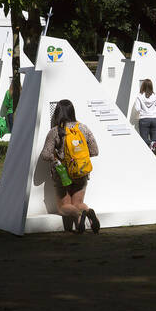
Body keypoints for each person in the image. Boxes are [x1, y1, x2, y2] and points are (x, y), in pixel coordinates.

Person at [40, 100, 101, 234]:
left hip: (63, 175)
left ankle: (79, 215)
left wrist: (56, 158)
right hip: (81, 171)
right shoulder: (83, 128)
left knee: (63, 207)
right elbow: (95, 151)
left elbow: (45, 154)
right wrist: (79, 159)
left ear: (57, 113)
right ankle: (89, 213)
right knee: (78, 203)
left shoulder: (55, 131)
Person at [133, 79, 156, 153]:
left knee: (144, 139)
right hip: (155, 119)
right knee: (155, 139)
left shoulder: (139, 96)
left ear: (142, 86)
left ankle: (151, 144)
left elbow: (137, 109)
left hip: (144, 119)